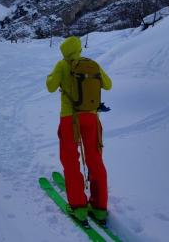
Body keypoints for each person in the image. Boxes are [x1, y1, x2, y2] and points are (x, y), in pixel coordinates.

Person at [46, 36, 112, 225]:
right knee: (95, 159)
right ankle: (99, 208)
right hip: (91, 118)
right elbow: (108, 85)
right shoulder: (92, 64)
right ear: (79, 49)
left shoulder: (62, 65)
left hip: (69, 119)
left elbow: (50, 87)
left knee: (70, 160)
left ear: (64, 51)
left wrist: (54, 77)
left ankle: (79, 207)